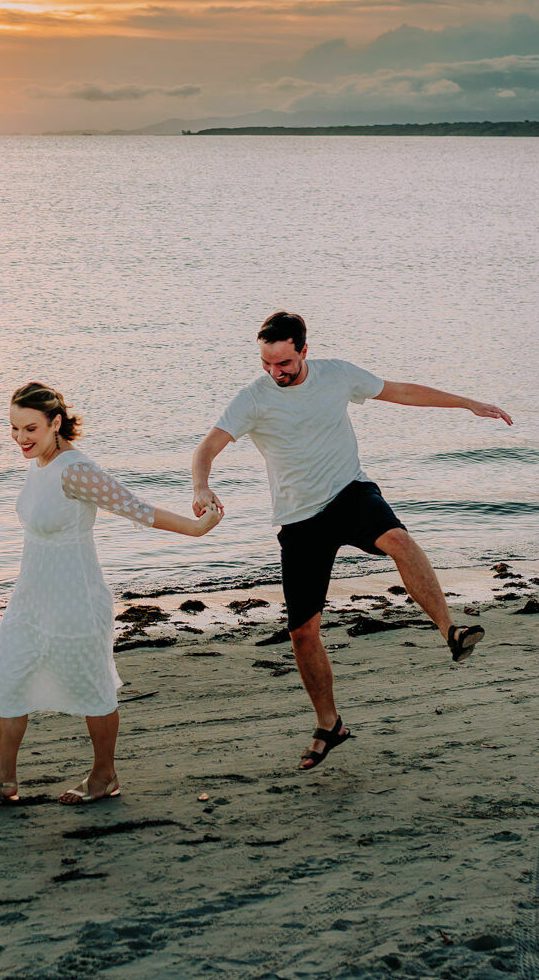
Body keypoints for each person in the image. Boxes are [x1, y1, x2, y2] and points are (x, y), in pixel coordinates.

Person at [189, 311, 511, 771]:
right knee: (302, 634)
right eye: (266, 363)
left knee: (399, 539)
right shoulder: (253, 399)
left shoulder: (336, 374)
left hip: (349, 494)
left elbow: (399, 391)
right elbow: (206, 447)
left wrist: (467, 403)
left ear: (303, 350)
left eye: (283, 363)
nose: (274, 372)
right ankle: (329, 724)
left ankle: (451, 631)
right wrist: (201, 487)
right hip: (299, 520)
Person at [0, 381, 223, 806]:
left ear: (55, 423)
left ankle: (104, 776)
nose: (20, 439)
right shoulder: (39, 464)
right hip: (31, 595)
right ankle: (3, 778)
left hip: (74, 595)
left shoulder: (75, 469)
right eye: (14, 429)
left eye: (30, 429)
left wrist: (196, 528)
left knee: (91, 686)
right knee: (5, 676)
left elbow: (134, 507)